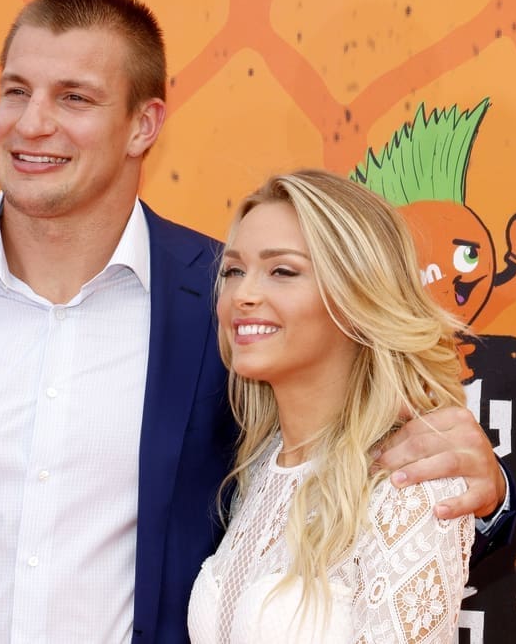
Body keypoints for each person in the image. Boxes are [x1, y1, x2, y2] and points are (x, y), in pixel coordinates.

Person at [0, 0, 513, 642]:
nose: (32, 125)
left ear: (142, 125)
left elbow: (352, 458)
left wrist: (488, 496)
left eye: (74, 98)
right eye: (15, 91)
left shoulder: (230, 306)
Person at [188, 169, 477, 643]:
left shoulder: (408, 480)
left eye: (282, 271)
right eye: (234, 270)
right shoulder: (259, 467)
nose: (242, 295)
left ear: (355, 295)